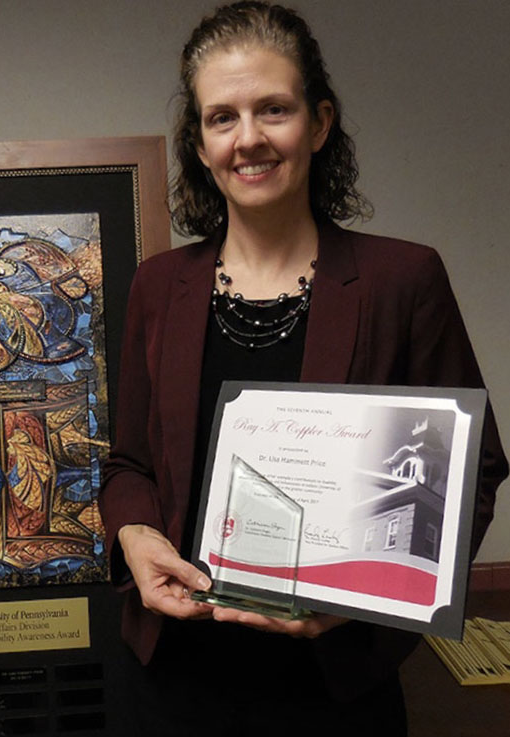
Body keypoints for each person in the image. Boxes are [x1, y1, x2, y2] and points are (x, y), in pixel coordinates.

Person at [99, 3, 508, 735]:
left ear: (318, 124)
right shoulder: (158, 286)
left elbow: (470, 473)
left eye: (273, 109)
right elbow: (128, 463)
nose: (247, 138)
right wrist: (134, 536)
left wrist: (366, 600)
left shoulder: (401, 279)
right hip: (169, 681)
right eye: (221, 117)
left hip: (333, 687)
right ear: (198, 141)